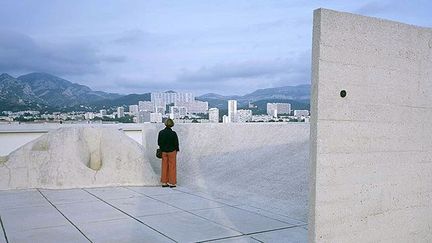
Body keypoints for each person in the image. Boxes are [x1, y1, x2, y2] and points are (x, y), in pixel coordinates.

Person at [158, 118, 179, 188]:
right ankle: (172, 183)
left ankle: (164, 182)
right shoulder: (173, 133)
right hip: (172, 151)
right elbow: (176, 143)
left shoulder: (161, 132)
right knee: (172, 167)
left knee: (164, 167)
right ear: (172, 124)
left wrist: (162, 148)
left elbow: (159, 142)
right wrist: (176, 150)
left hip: (164, 151)